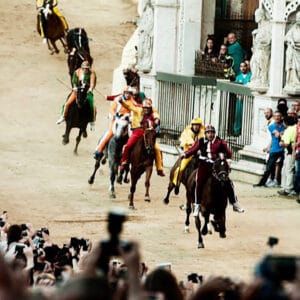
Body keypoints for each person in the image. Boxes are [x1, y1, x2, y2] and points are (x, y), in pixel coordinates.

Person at [181, 125, 244, 215]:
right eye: (208, 133)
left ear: (214, 133)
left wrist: (227, 159)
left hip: (217, 165)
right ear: (205, 134)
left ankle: (234, 203)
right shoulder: (201, 141)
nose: (210, 134)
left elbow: (229, 152)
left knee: (228, 181)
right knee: (199, 182)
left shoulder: (220, 142)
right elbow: (193, 149)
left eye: (212, 133)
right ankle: (197, 205)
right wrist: (185, 154)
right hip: (204, 164)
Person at [118, 98, 165, 177]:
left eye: (148, 108)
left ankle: (159, 168)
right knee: (128, 145)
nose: (146, 110)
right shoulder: (139, 110)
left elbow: (157, 118)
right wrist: (122, 102)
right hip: (138, 131)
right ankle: (124, 161)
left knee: (158, 149)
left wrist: (156, 122)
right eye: (144, 108)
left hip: (149, 134)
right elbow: (129, 106)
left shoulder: (154, 113)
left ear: (151, 108)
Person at [93, 86, 136, 161]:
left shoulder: (133, 102)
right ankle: (99, 150)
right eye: (126, 93)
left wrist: (130, 117)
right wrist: (114, 115)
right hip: (116, 120)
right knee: (110, 133)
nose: (128, 95)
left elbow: (134, 112)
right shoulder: (117, 99)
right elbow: (112, 109)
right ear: (124, 92)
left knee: (132, 134)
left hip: (127, 121)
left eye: (130, 93)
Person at [56, 61, 96, 130]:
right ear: (82, 68)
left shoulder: (92, 73)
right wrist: (74, 87)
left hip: (87, 91)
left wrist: (90, 89)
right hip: (78, 90)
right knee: (67, 103)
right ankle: (63, 116)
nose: (85, 70)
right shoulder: (77, 72)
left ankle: (92, 121)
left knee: (92, 105)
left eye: (87, 68)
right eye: (84, 68)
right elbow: (74, 81)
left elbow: (92, 83)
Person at [172, 118, 205, 195]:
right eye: (195, 125)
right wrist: (195, 147)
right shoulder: (187, 132)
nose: (196, 127)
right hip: (189, 153)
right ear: (192, 125)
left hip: (199, 154)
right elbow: (189, 142)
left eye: (198, 125)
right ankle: (177, 182)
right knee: (181, 168)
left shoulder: (202, 133)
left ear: (200, 126)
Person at [253, 111, 285, 187]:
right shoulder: (271, 126)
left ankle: (279, 182)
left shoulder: (284, 126)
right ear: (274, 117)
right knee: (269, 168)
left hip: (283, 149)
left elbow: (279, 135)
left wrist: (282, 133)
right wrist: (283, 133)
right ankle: (262, 183)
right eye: (276, 116)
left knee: (283, 167)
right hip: (275, 150)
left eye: (279, 116)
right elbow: (277, 135)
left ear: (281, 117)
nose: (277, 117)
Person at [249, 7, 271, 87]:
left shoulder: (268, 25)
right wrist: (254, 35)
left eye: (256, 15)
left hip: (263, 50)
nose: (255, 17)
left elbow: (269, 39)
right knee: (253, 63)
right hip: (257, 49)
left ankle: (262, 81)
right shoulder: (260, 26)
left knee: (261, 65)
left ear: (261, 16)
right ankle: (256, 79)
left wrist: (260, 40)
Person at [277, 116, 296, 196]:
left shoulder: (288, 130)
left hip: (289, 152)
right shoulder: (295, 128)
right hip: (292, 151)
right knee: (287, 169)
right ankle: (285, 187)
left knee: (288, 170)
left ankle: (287, 188)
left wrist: (281, 143)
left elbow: (286, 143)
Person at [233, 62, 252, 136]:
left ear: (247, 67)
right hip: (240, 99)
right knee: (238, 115)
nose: (242, 68)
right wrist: (238, 95)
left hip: (248, 99)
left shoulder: (251, 76)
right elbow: (235, 88)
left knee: (247, 115)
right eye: (241, 66)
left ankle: (246, 132)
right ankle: (237, 131)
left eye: (244, 66)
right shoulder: (238, 77)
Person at [285, 11, 300, 88]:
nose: (298, 20)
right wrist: (290, 40)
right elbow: (286, 37)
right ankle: (292, 83)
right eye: (297, 18)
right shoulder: (293, 28)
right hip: (293, 51)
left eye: (299, 18)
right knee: (293, 68)